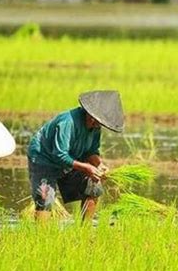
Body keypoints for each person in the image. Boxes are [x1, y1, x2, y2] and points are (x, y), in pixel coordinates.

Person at [27, 90, 125, 222]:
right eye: (96, 121)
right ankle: (41, 237)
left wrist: (98, 164)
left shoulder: (95, 128)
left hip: (70, 158)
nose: (98, 125)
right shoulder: (67, 122)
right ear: (91, 115)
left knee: (94, 184)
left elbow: (91, 151)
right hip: (45, 158)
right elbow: (59, 155)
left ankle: (84, 231)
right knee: (45, 197)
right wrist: (86, 168)